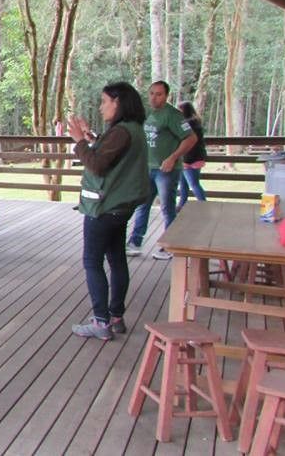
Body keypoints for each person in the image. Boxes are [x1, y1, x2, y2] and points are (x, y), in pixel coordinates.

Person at [67, 81, 150, 340]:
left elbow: (97, 165)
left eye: (105, 102)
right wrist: (92, 139)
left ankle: (100, 321)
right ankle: (115, 316)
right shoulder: (133, 130)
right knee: (116, 259)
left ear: (118, 102)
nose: (101, 107)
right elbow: (112, 155)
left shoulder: (122, 131)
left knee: (92, 261)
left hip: (104, 206)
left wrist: (80, 142)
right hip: (121, 207)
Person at [127, 81, 198, 260]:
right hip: (146, 167)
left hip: (167, 169)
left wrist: (173, 157)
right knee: (142, 204)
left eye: (159, 94)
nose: (154, 97)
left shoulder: (173, 115)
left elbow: (191, 138)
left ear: (166, 96)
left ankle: (169, 245)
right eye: (151, 93)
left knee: (167, 207)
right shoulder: (146, 113)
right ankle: (135, 242)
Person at [176, 101, 207, 211]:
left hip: (189, 159)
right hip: (193, 158)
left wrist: (185, 160)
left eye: (179, 110)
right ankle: (181, 205)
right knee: (184, 185)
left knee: (193, 184)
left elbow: (190, 144)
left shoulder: (189, 125)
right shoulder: (195, 123)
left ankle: (203, 206)